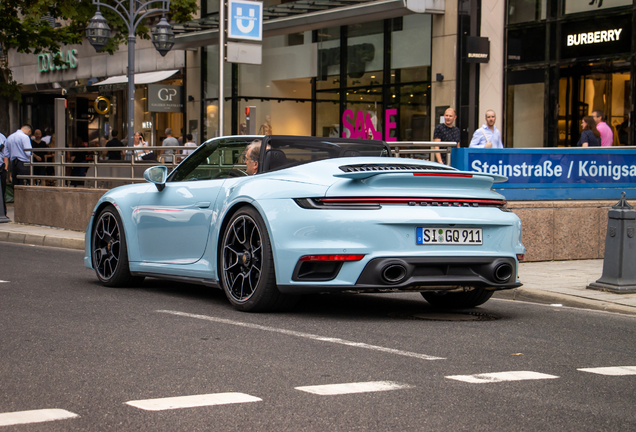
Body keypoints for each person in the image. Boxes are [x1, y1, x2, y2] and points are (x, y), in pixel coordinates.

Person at [0, 131, 8, 217]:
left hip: (1, 167)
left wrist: (5, 168)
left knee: (2, 190)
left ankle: (3, 212)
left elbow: (6, 154)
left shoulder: (2, 137)